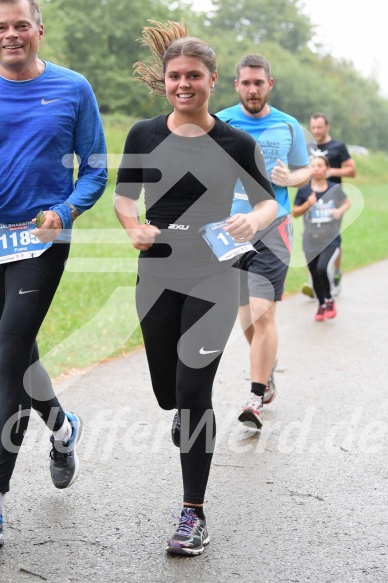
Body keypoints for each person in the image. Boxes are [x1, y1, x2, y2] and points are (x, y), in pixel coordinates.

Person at [114, 22, 277, 556]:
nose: (184, 84)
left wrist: (253, 221)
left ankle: (193, 513)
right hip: (157, 273)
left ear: (212, 80)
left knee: (192, 394)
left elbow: (267, 201)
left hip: (215, 273)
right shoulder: (143, 134)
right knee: (169, 393)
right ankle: (187, 421)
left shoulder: (236, 140)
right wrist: (132, 225)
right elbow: (124, 197)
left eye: (194, 76)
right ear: (165, 81)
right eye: (175, 76)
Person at [0, 0, 107, 549]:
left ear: (39, 30)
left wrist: (63, 212)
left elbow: (95, 170)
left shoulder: (73, 88)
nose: (11, 34)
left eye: (21, 25)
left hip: (41, 238)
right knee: (18, 351)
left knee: (6, 354)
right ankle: (62, 429)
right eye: (1, 27)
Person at [217, 54, 310, 429]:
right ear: (236, 85)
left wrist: (291, 178)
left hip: (274, 227)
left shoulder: (288, 126)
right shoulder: (220, 122)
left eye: (259, 82)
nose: (252, 89)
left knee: (262, 311)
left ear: (269, 84)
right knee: (245, 315)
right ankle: (267, 370)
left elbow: (305, 169)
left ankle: (254, 396)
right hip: (230, 228)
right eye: (246, 83)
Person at [302, 113, 356, 297]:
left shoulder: (338, 146)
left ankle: (336, 273)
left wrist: (330, 170)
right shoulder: (309, 147)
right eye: (313, 127)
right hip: (313, 199)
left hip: (334, 199)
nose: (316, 131)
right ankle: (313, 280)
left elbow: (352, 170)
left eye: (319, 127)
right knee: (310, 236)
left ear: (327, 127)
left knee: (332, 238)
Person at [293, 155, 351, 321]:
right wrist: (307, 204)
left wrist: (339, 211)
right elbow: (295, 212)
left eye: (320, 165)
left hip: (330, 238)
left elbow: (347, 203)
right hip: (310, 239)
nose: (317, 168)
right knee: (314, 273)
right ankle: (321, 304)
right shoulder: (304, 190)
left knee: (322, 268)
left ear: (326, 169)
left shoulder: (334, 188)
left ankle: (330, 300)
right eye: (313, 165)